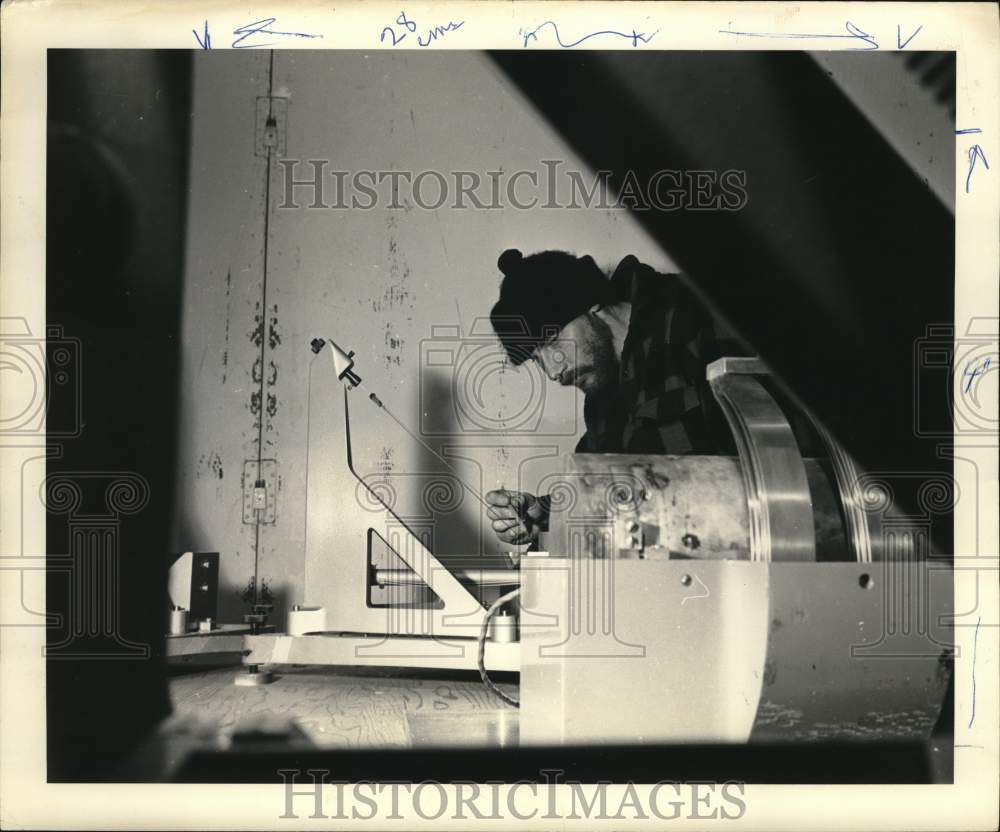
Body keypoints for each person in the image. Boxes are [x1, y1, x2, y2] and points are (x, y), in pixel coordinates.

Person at [484, 248, 745, 546]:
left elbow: (782, 457)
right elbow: (607, 492)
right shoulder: (600, 396)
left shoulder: (697, 313)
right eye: (537, 359)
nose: (554, 371)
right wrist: (547, 516)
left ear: (591, 305)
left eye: (551, 340)